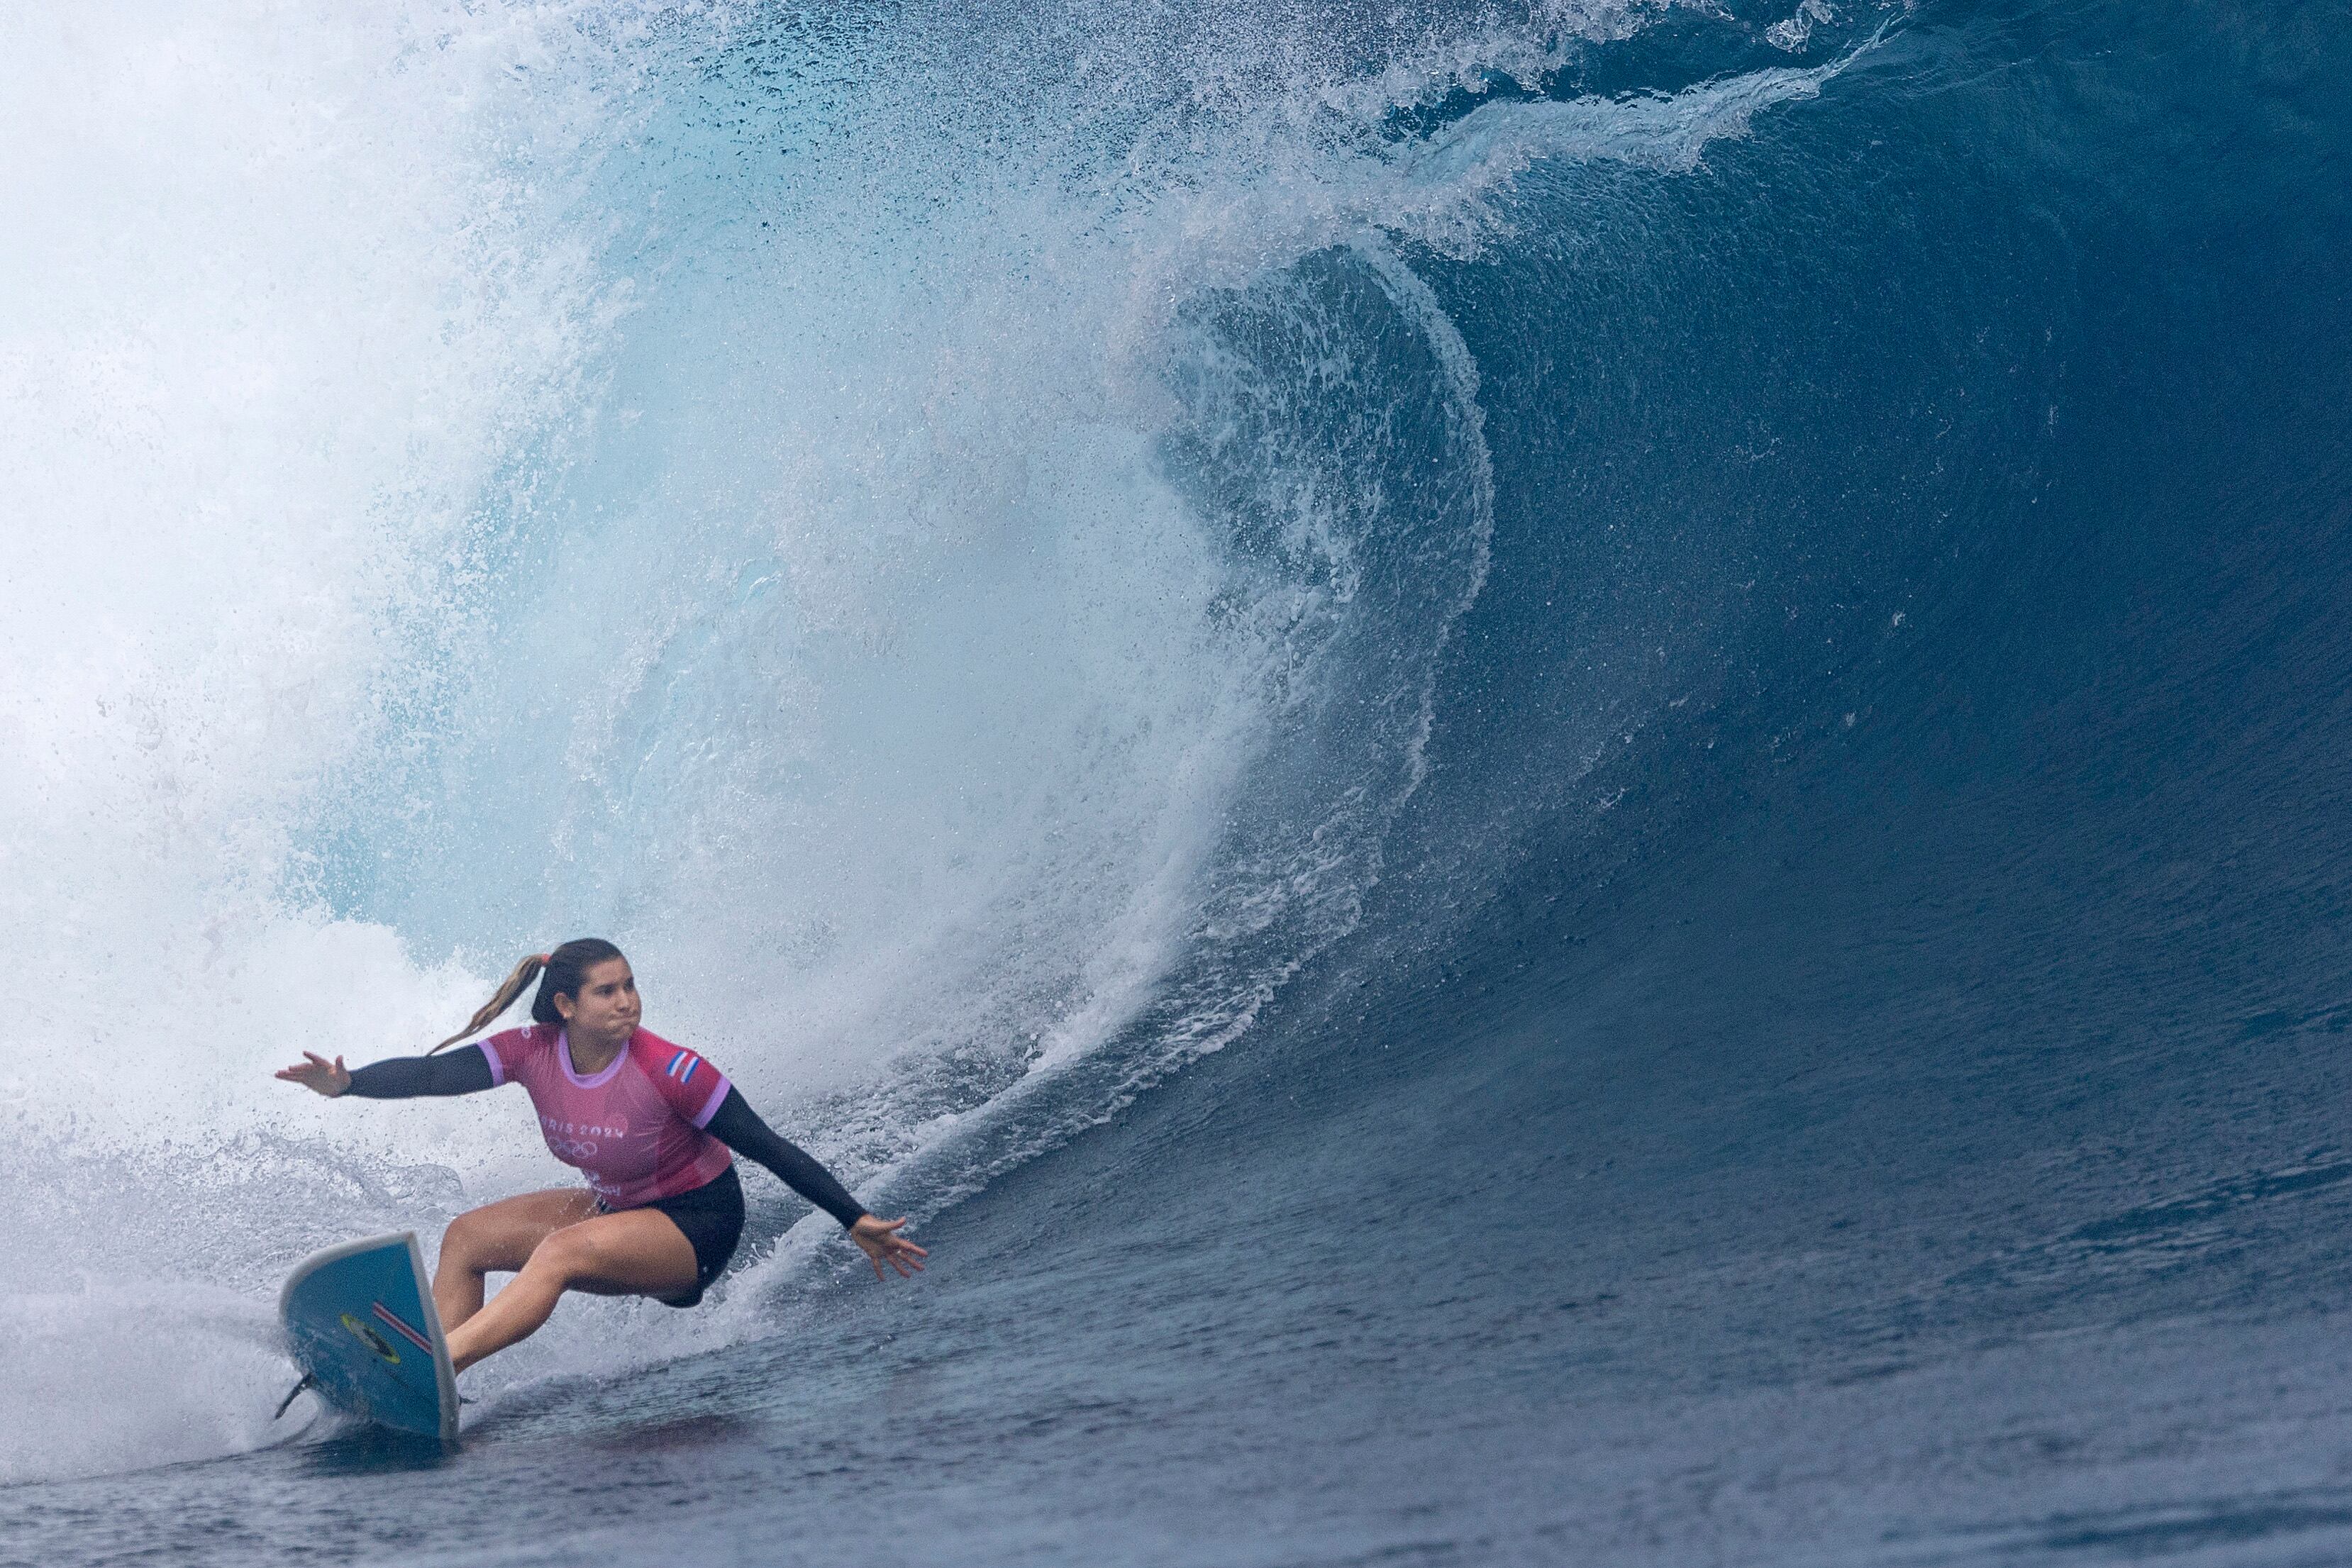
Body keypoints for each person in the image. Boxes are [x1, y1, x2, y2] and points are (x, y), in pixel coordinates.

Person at [275, 938, 925, 1372]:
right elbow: (430, 1075)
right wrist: (348, 1082)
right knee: (467, 1235)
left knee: (557, 1251)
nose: (627, 1002)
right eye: (607, 991)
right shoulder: (532, 1050)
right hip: (619, 1205)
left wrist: (853, 1216)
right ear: (566, 1005)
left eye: (630, 986)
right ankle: (433, 1384)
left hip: (697, 1226)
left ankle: (435, 1363)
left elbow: (768, 1146)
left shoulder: (673, 1069)